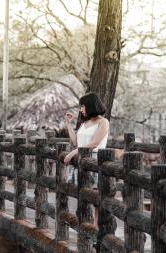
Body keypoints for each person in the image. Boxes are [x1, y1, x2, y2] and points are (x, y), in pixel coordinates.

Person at [63, 92, 109, 227]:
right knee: (83, 195)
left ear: (90, 105)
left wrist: (72, 153)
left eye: (82, 106)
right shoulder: (85, 122)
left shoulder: (103, 122)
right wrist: (68, 124)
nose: (81, 109)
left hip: (94, 160)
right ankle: (85, 227)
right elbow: (76, 141)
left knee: (95, 196)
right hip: (81, 161)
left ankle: (95, 227)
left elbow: (94, 143)